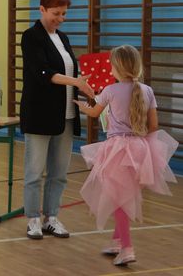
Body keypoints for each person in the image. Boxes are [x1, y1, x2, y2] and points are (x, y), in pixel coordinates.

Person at [75, 45, 178, 266]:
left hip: (118, 150)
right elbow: (153, 126)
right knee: (122, 196)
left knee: (120, 200)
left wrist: (83, 107)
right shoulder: (147, 90)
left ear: (118, 67)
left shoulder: (111, 90)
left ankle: (127, 248)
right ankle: (117, 242)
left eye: (112, 65)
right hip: (141, 149)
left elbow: (94, 112)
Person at [20, 0, 95, 240]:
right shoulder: (31, 37)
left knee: (59, 173)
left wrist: (83, 84)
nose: (61, 19)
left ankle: (51, 217)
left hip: (66, 115)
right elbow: (43, 73)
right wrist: (75, 82)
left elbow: (69, 71)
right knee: (34, 172)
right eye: (56, 13)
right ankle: (33, 219)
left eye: (64, 14)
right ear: (42, 9)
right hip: (39, 114)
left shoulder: (62, 37)